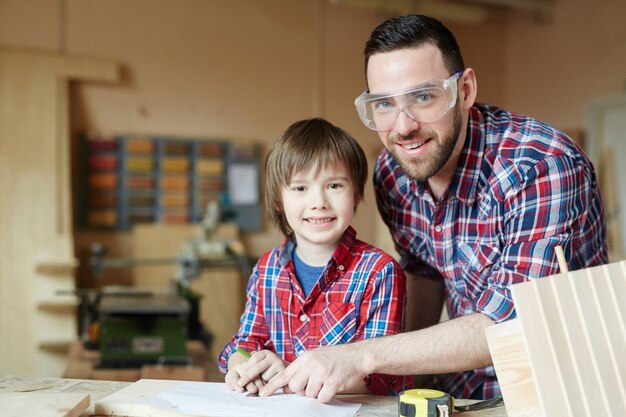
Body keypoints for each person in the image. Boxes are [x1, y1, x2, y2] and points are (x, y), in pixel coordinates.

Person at [253, 15, 608, 402]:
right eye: (384, 104)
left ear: (465, 89)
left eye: (423, 97)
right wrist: (383, 380)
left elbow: (515, 321)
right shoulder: (394, 171)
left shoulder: (540, 167)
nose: (403, 126)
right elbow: (425, 276)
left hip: (558, 393)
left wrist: (361, 356)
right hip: (459, 391)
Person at [218, 117, 413, 396]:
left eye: (334, 186)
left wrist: (287, 373)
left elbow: (379, 379)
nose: (319, 201)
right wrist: (241, 366)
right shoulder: (267, 269)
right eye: (300, 188)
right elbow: (246, 343)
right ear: (278, 200)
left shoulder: (379, 272)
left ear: (356, 195)